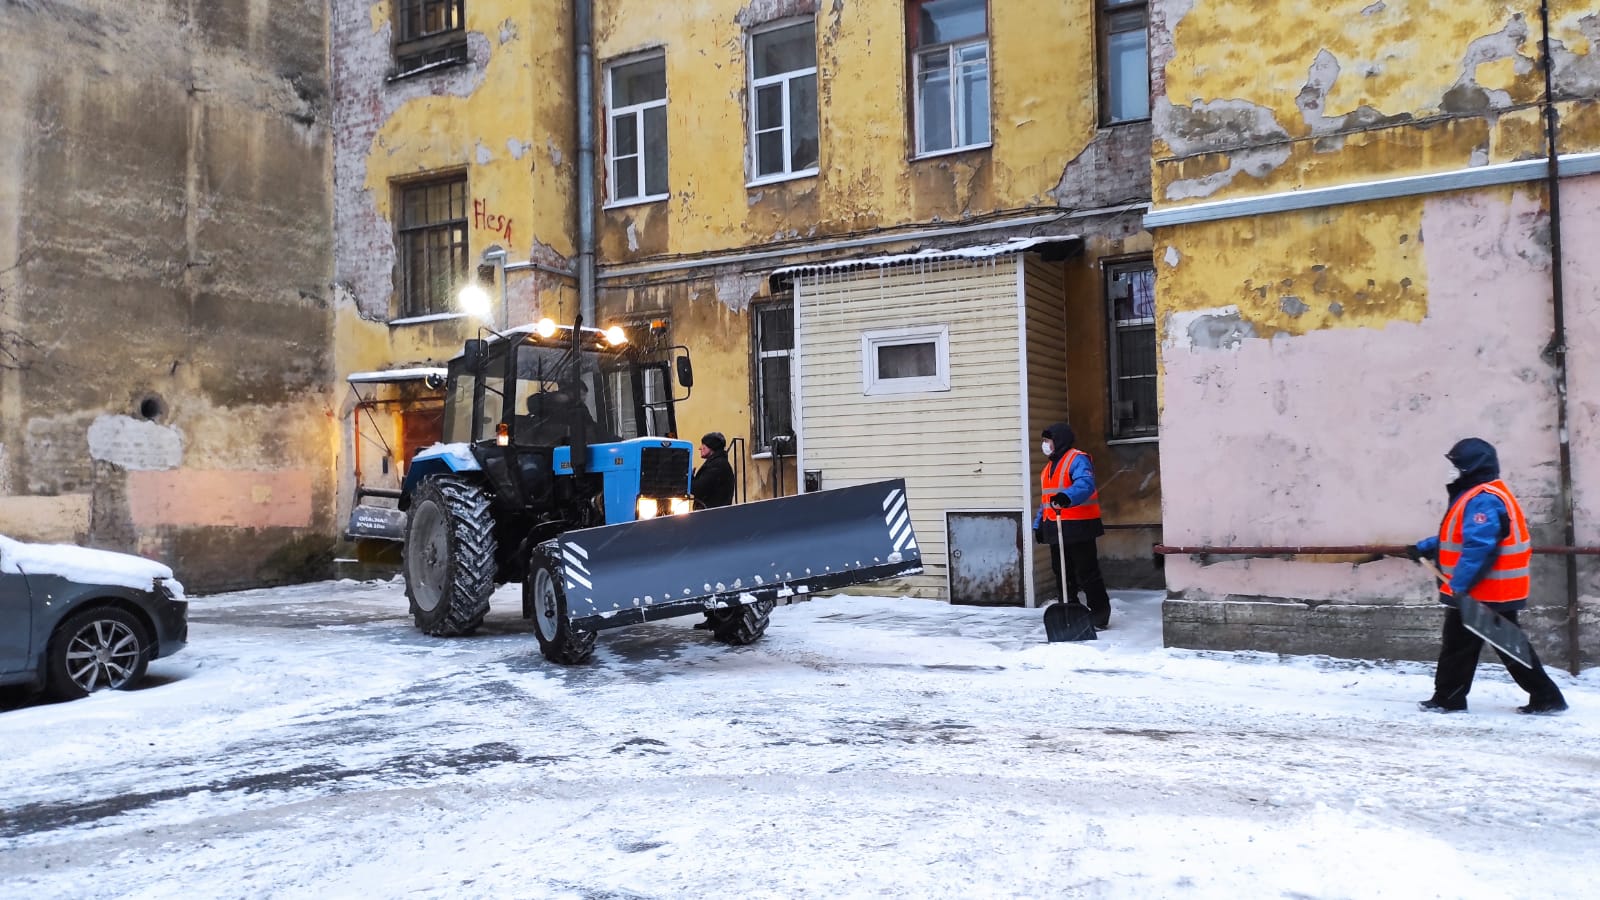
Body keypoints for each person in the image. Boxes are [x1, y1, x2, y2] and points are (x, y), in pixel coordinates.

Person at [1407, 437, 1567, 715]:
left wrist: (1458, 585)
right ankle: (1452, 698)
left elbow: (1479, 547)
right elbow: (1460, 537)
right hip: (1489, 590)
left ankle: (1452, 699)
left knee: (1470, 647)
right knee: (1492, 646)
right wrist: (1425, 547)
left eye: (1455, 465)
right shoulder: (1483, 494)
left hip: (1485, 591)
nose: (1451, 471)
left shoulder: (1482, 499)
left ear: (1471, 467)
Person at [1034, 422, 1110, 629]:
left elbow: (1085, 484)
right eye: (1044, 441)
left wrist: (1067, 497)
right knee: (1061, 571)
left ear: (1058, 440)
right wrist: (1038, 523)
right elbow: (1047, 500)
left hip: (1079, 526)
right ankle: (1070, 608)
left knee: (1087, 572)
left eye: (1047, 440)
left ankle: (1100, 613)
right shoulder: (1048, 468)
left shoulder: (1077, 459)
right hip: (1056, 527)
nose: (1045, 444)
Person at [691, 432, 735, 510]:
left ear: (711, 447)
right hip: (715, 514)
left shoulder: (717, 466)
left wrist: (689, 479)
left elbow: (699, 489)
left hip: (711, 516)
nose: (700, 448)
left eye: (703, 445)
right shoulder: (718, 464)